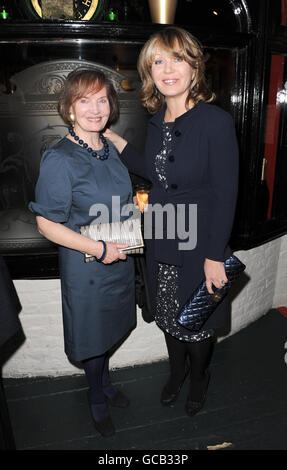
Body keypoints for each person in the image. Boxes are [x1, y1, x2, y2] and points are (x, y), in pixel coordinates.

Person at [105, 26, 239, 417]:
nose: (167, 69)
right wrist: (114, 140)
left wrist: (214, 256)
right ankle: (176, 372)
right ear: (149, 72)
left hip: (200, 243)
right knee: (167, 315)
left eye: (177, 58)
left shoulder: (214, 121)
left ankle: (199, 378)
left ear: (194, 67)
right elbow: (154, 170)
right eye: (157, 61)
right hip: (163, 233)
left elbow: (226, 193)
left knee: (194, 321)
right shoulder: (156, 120)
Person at [29, 69, 136, 437]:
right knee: (92, 333)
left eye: (102, 99)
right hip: (87, 264)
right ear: (69, 108)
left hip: (118, 255)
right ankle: (95, 396)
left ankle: (104, 384)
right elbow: (46, 224)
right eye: (84, 100)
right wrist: (99, 248)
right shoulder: (60, 158)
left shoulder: (109, 149)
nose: (95, 108)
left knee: (110, 327)